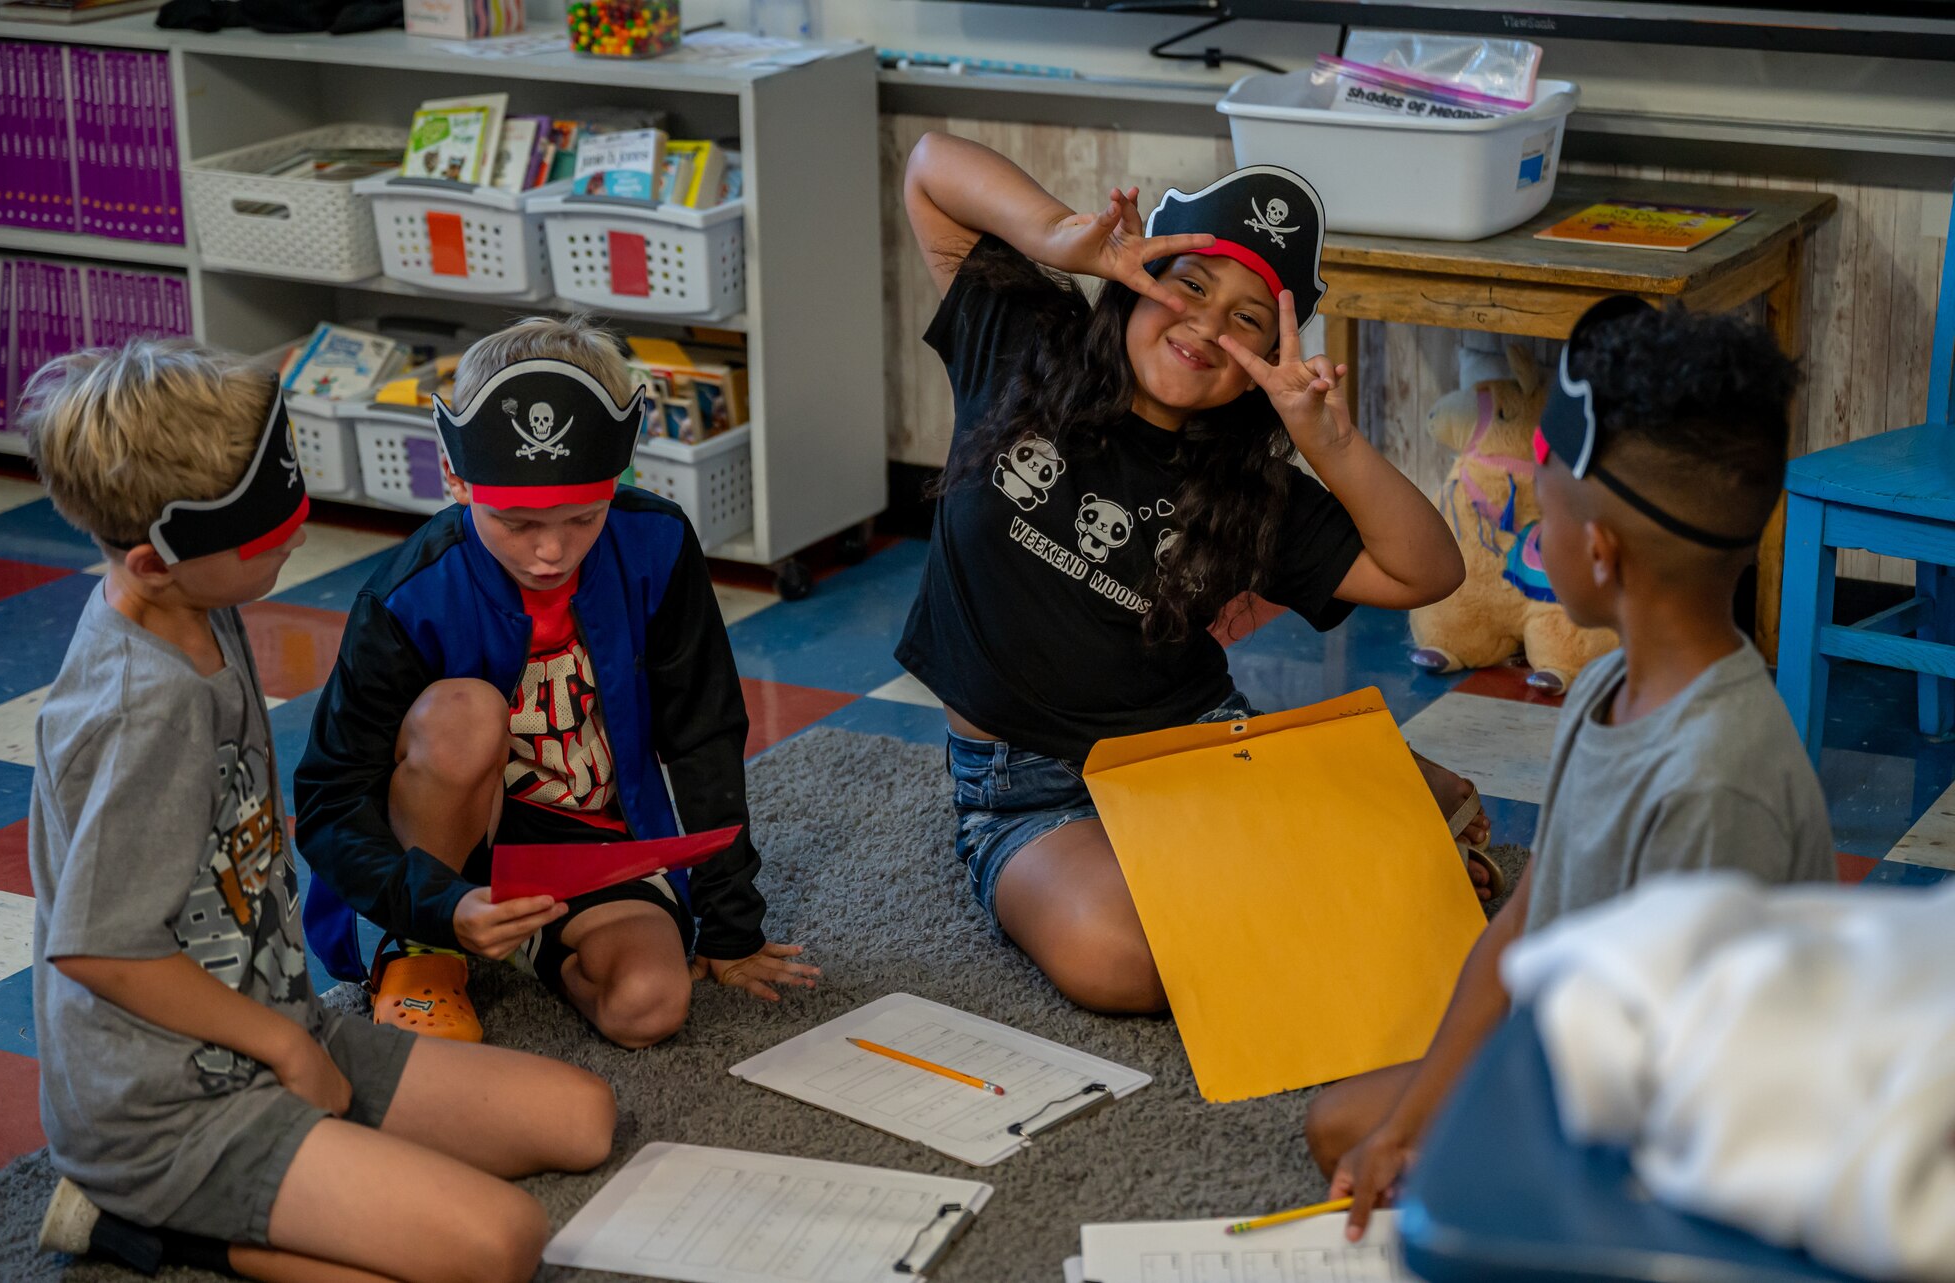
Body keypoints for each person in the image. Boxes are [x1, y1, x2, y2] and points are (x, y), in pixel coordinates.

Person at [23, 340, 614, 1283]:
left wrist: (294, 1036)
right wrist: (285, 1052)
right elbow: (99, 947)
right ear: (157, 558)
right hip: (170, 1113)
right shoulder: (144, 707)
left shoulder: (197, 606)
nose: (298, 526)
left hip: (278, 1021)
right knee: (500, 1245)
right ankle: (145, 1225)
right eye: (270, 523)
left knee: (583, 1118)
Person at [895, 131, 1485, 1014]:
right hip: (1022, 787)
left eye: (1249, 319)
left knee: (1261, 910)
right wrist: (1063, 235)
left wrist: (1331, 439)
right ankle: (1360, 795)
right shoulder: (1024, 343)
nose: (1206, 327)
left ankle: (1368, 789)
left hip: (1193, 752)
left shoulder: (1250, 486)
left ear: (1264, 365)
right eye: (1191, 285)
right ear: (1139, 279)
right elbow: (931, 169)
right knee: (1121, 962)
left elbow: (1427, 571)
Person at [1309, 298, 1838, 1240]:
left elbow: (1700, 1082)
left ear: (1595, 551)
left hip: (1682, 1129)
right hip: (1575, 1052)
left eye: (1538, 510)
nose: (1527, 536)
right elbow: (1525, 920)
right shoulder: (1606, 686)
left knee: (1443, 1198)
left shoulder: (1718, 781)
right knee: (1349, 1127)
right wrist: (1420, 1120)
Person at [295, 315, 815, 1049]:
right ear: (456, 478)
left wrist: (731, 926)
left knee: (651, 1006)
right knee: (464, 712)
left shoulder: (657, 543)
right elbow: (329, 797)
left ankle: (532, 948)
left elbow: (703, 733)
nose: (550, 552)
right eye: (515, 522)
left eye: (582, 517)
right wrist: (438, 907)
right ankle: (425, 958)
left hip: (597, 847)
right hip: (452, 858)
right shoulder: (407, 593)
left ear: (617, 482)